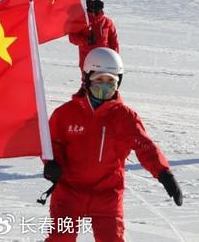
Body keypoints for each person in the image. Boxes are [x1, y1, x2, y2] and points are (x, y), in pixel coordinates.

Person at [42, 47, 183, 241]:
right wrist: (51, 164)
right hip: (69, 191)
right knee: (60, 238)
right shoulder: (66, 114)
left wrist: (164, 173)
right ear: (87, 79)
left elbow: (146, 148)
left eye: (111, 81)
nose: (105, 86)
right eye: (99, 80)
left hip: (107, 195)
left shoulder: (125, 117)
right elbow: (51, 143)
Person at [69, 0, 119, 77]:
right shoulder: (82, 21)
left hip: (105, 60)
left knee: (105, 83)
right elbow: (72, 37)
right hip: (88, 59)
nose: (99, 8)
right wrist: (86, 40)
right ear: (90, 5)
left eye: (100, 5)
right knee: (88, 84)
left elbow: (114, 42)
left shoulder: (107, 22)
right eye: (97, 5)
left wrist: (114, 57)